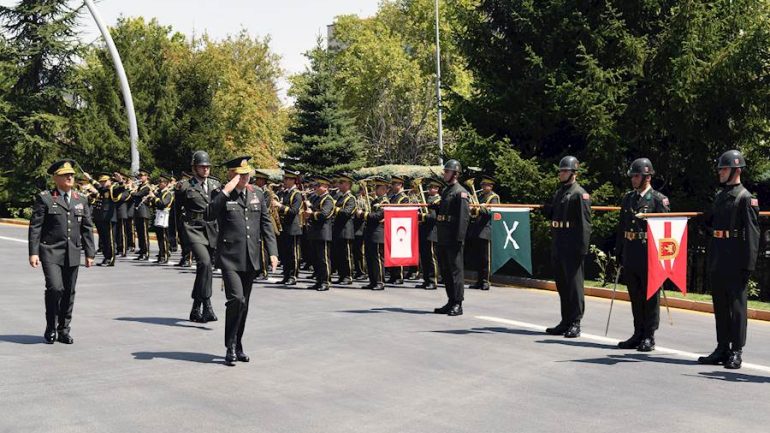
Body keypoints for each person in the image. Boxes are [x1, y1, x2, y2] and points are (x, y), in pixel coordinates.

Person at [205, 156, 278, 366]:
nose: (244, 178)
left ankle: (238, 344)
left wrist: (272, 252)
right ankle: (230, 346)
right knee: (236, 299)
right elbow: (209, 215)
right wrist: (226, 191)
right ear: (231, 175)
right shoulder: (220, 194)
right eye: (240, 174)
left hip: (251, 257)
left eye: (246, 174)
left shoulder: (257, 194)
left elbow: (266, 224)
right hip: (229, 257)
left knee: (244, 304)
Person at [698, 150, 760, 370]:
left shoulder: (745, 198)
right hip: (719, 255)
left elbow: (753, 235)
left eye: (723, 169)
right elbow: (710, 222)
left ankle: (736, 351)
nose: (720, 172)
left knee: (736, 307)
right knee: (721, 306)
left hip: (735, 257)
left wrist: (749, 264)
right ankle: (722, 347)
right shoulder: (720, 195)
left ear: (736, 170)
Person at [28, 160, 96, 344]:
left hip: (73, 251)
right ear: (55, 178)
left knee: (69, 291)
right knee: (55, 288)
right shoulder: (46, 198)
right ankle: (51, 326)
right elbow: (36, 227)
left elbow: (87, 228)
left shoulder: (80, 199)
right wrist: (33, 252)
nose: (70, 177)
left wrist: (90, 252)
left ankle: (64, 329)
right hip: (50, 250)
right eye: (66, 175)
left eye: (72, 175)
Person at [615, 158, 669, 352]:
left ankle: (649, 335)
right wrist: (619, 251)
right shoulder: (628, 198)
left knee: (650, 296)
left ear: (647, 177)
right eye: (632, 176)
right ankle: (637, 332)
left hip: (649, 254)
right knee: (635, 295)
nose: (633, 179)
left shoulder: (657, 199)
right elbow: (622, 226)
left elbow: (665, 232)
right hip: (631, 251)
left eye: (636, 176)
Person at [542, 156, 592, 338]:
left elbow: (585, 224)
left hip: (572, 245)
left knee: (574, 286)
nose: (561, 174)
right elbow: (555, 213)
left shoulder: (579, 194)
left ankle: (575, 322)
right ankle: (565, 321)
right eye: (560, 171)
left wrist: (582, 249)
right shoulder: (560, 192)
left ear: (573, 173)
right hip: (559, 243)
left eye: (564, 171)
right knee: (562, 285)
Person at [178, 150, 220, 323]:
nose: (206, 170)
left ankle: (196, 308)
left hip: (211, 230)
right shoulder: (185, 187)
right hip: (193, 229)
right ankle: (207, 305)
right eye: (202, 167)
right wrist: (175, 238)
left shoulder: (216, 185)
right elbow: (176, 214)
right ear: (194, 168)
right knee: (204, 263)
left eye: (208, 167)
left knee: (206, 268)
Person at [432, 160, 471, 316]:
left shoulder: (460, 192)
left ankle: (458, 303)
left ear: (455, 174)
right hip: (443, 235)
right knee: (446, 270)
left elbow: (463, 217)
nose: (444, 174)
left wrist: (459, 238)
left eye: (447, 172)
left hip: (453, 237)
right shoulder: (447, 191)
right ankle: (450, 300)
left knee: (455, 271)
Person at [468, 174, 500, 291]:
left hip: (486, 229)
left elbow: (492, 212)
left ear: (490, 186)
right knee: (477, 257)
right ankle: (479, 280)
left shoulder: (493, 197)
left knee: (485, 258)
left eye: (485, 185)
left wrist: (480, 207)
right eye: (482, 184)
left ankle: (486, 281)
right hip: (477, 228)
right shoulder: (480, 196)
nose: (482, 187)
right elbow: (475, 211)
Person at [304, 175, 335, 291]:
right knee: (315, 258)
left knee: (323, 259)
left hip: (323, 232)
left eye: (318, 185)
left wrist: (311, 213)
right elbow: (314, 209)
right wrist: (309, 206)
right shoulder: (317, 198)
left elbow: (324, 214)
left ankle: (325, 281)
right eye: (315, 185)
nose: (315, 187)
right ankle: (318, 280)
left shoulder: (328, 199)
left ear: (326, 187)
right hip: (314, 232)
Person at [358, 176, 389, 291]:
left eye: (378, 187)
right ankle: (373, 281)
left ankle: (380, 281)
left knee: (377, 259)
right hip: (371, 232)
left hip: (378, 233)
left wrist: (363, 214)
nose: (375, 189)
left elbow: (377, 216)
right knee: (370, 258)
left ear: (384, 189)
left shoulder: (384, 202)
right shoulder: (376, 201)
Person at [273, 168, 303, 285]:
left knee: (293, 254)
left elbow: (294, 210)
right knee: (285, 254)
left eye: (286, 179)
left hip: (293, 228)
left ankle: (293, 276)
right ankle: (286, 275)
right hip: (284, 227)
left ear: (293, 180)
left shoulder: (296, 194)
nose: (284, 181)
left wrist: (279, 206)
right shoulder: (285, 193)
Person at [332, 174, 357, 285]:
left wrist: (335, 209)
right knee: (339, 255)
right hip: (338, 230)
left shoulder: (351, 198)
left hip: (346, 230)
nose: (339, 185)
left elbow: (347, 212)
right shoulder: (341, 197)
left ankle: (348, 276)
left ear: (348, 185)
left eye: (342, 183)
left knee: (346, 255)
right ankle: (342, 275)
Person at [417, 178, 441, 290]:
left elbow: (433, 217)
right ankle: (426, 279)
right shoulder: (427, 199)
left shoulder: (438, 200)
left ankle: (433, 280)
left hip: (432, 231)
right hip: (424, 231)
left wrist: (422, 216)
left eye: (434, 188)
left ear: (437, 189)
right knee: (424, 257)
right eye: (430, 188)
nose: (431, 189)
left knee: (431, 258)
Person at [387, 175, 409, 285]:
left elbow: (402, 213)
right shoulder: (392, 197)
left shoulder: (404, 198)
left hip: (399, 227)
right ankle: (393, 275)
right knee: (392, 253)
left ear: (400, 185)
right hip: (392, 226)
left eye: (395, 183)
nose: (392, 185)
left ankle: (399, 276)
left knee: (398, 253)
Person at [150, 174, 175, 264]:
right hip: (159, 214)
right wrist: (152, 197)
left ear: (165, 183)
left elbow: (163, 204)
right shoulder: (159, 193)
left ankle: (164, 255)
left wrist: (154, 197)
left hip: (165, 215)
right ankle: (161, 255)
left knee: (164, 237)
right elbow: (154, 204)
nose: (159, 184)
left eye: (160, 182)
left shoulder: (168, 193)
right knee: (159, 237)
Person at [131, 169, 152, 261]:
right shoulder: (140, 186)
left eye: (142, 176)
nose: (140, 177)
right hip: (138, 211)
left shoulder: (147, 187)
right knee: (139, 233)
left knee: (144, 233)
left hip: (144, 212)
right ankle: (142, 251)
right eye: (139, 176)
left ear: (147, 177)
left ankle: (146, 252)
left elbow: (138, 195)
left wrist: (132, 191)